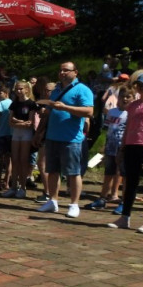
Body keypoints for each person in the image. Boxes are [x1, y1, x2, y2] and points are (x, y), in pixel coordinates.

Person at [107, 72, 143, 234]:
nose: (141, 88)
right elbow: (128, 127)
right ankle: (125, 217)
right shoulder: (133, 105)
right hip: (131, 146)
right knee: (130, 182)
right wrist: (122, 148)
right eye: (139, 85)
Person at [33, 62, 94, 219]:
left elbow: (89, 111)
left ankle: (74, 204)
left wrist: (66, 108)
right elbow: (52, 110)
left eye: (66, 70)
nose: (62, 73)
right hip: (52, 136)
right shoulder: (56, 90)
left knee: (73, 172)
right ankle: (53, 201)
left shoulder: (82, 89)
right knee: (52, 171)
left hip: (71, 138)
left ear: (75, 72)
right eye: (60, 70)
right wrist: (41, 128)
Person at [86, 87, 133, 210]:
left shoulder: (132, 114)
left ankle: (124, 202)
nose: (125, 99)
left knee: (124, 174)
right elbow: (106, 129)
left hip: (124, 147)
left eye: (128, 97)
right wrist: (104, 145)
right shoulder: (112, 112)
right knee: (108, 173)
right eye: (122, 96)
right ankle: (102, 198)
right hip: (111, 146)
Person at [3, 80, 37, 199]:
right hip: (16, 133)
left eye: (21, 89)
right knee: (15, 160)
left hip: (26, 134)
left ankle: (23, 187)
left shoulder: (31, 103)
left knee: (23, 160)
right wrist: (21, 122)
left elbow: (30, 123)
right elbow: (10, 122)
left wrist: (18, 122)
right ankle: (13, 187)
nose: (18, 91)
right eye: (17, 89)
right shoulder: (14, 103)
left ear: (26, 90)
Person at [0, 84, 12, 191]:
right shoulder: (13, 103)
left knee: (0, 158)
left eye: (0, 93)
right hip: (11, 134)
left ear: (6, 93)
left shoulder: (2, 103)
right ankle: (6, 181)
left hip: (2, 133)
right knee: (9, 159)